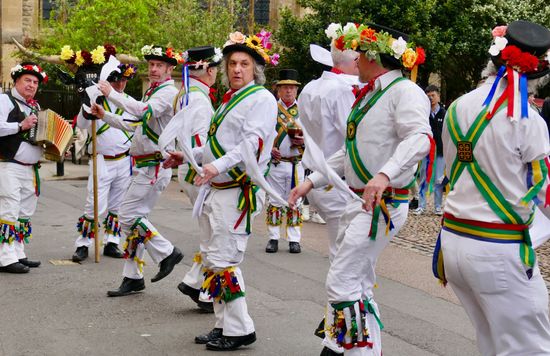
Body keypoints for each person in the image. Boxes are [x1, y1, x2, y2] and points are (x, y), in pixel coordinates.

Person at [290, 23, 430, 355]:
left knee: (341, 280)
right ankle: (359, 349)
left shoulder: (405, 92)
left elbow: (420, 138)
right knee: (358, 283)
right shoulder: (371, 94)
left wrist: (384, 175)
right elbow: (348, 154)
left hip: (383, 204)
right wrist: (311, 180)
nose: (352, 59)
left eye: (357, 52)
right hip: (360, 202)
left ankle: (345, 348)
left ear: (372, 54)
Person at [432, 20, 550, 355]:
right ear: (538, 74)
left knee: (491, 341)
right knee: (530, 348)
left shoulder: (457, 106)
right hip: (498, 250)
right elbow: (545, 191)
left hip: (453, 244)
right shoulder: (526, 117)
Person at [189, 30, 278, 351]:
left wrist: (216, 166)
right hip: (218, 187)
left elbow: (250, 144)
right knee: (213, 260)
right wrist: (195, 157)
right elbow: (218, 146)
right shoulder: (229, 100)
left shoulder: (262, 99)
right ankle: (223, 323)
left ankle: (240, 329)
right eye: (232, 64)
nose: (237, 69)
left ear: (256, 69)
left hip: (238, 191)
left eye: (244, 64)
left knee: (225, 260)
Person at [93, 45, 183, 296]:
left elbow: (142, 112)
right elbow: (134, 123)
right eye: (151, 65)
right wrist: (105, 115)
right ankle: (133, 277)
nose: (153, 69)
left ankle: (166, 252)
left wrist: (111, 94)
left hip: (155, 165)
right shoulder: (152, 92)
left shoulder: (167, 93)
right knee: (133, 221)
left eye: (159, 65)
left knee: (128, 217)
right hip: (145, 165)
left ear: (169, 69)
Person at [298, 24, 360, 354]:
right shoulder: (343, 91)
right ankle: (340, 335)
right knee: (348, 264)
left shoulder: (311, 88)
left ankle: (337, 329)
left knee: (343, 261)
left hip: (317, 177)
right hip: (336, 181)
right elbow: (353, 140)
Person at [162, 45, 222, 313]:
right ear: (209, 70)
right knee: (215, 232)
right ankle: (204, 289)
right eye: (217, 69)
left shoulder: (188, 93)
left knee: (212, 231)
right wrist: (205, 169)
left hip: (191, 169)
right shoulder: (198, 98)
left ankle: (196, 282)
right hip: (198, 170)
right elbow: (199, 140)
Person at [72, 63, 137, 262]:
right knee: (94, 205)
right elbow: (81, 125)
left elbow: (138, 125)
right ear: (108, 82)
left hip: (124, 160)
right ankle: (83, 244)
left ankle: (112, 242)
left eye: (124, 80)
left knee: (117, 205)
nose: (121, 84)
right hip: (101, 160)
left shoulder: (129, 102)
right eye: (117, 80)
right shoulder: (95, 99)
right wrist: (86, 108)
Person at [0, 62, 48, 273]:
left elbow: (38, 137)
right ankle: (5, 257)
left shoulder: (35, 107)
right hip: (8, 164)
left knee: (24, 212)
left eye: (35, 82)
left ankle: (18, 252)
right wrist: (20, 125)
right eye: (27, 80)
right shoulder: (4, 100)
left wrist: (57, 146)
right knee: (9, 208)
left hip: (30, 168)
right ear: (16, 81)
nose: (31, 85)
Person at [265, 68, 305, 254]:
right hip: (276, 163)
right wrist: (269, 149)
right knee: (274, 199)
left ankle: (294, 239)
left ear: (296, 90)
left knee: (295, 201)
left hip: (296, 163)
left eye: (292, 87)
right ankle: (273, 237)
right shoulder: (271, 109)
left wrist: (304, 142)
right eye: (285, 87)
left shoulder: (304, 111)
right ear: (278, 90)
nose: (288, 91)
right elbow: (263, 135)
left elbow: (314, 137)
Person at [413, 85, 446, 216]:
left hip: (440, 152)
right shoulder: (423, 113)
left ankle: (438, 207)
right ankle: (421, 205)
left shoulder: (445, 113)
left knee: (439, 179)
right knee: (423, 178)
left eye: (433, 95)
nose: (431, 98)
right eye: (428, 96)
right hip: (426, 151)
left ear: (438, 96)